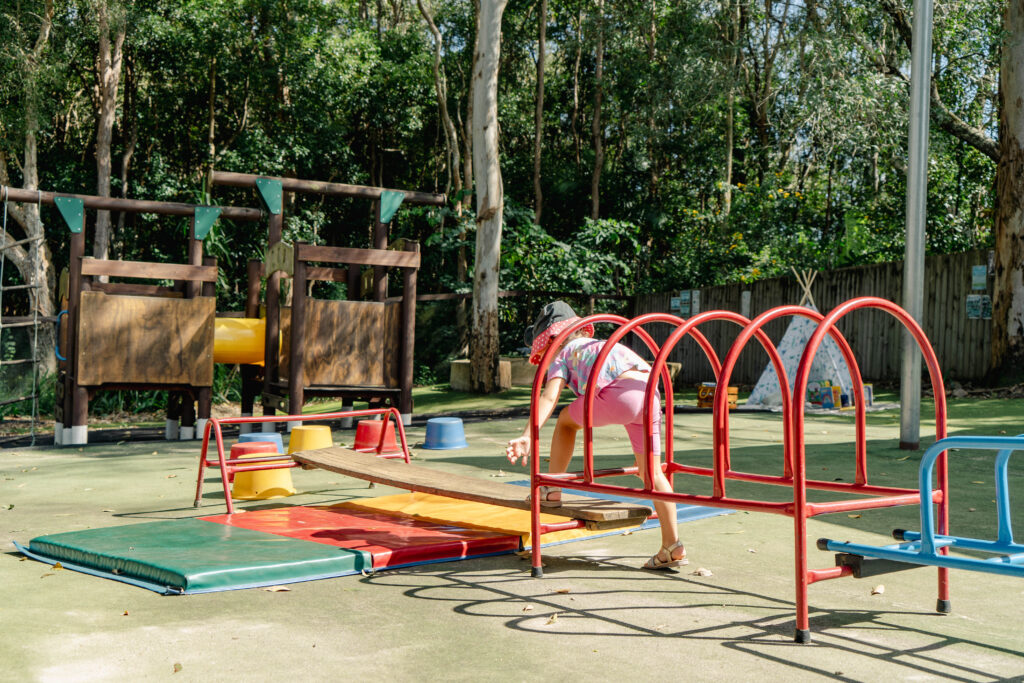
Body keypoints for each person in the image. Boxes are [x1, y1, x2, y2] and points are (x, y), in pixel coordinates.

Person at [505, 301, 687, 570]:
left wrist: (527, 434)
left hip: (619, 394)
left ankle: (551, 488)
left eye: (540, 348)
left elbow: (549, 396)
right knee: (652, 472)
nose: (541, 356)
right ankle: (672, 545)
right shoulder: (598, 345)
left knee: (566, 421)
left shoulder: (561, 353)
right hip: (650, 392)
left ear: (550, 338)